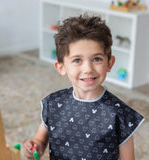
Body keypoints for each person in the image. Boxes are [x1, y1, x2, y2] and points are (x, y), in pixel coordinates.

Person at [23, 14, 145, 160]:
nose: (88, 68)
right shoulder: (53, 104)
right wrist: (34, 148)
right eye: (77, 60)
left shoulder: (120, 114)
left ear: (110, 63)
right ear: (61, 67)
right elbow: (40, 141)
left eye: (97, 59)